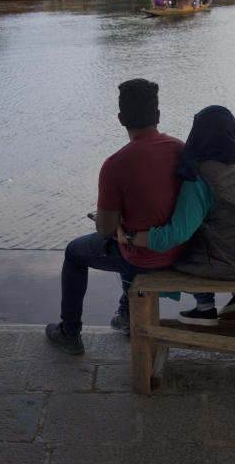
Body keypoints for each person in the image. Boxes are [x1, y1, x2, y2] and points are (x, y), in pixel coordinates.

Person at [45, 78, 186, 354]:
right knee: (127, 232)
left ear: (121, 119)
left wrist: (109, 222)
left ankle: (69, 333)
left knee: (75, 252)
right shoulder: (180, 149)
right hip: (179, 250)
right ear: (157, 115)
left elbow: (105, 228)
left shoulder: (115, 164)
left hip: (143, 257)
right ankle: (126, 313)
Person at [117, 106, 235, 325]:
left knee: (180, 246)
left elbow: (174, 236)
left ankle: (205, 308)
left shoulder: (201, 177)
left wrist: (129, 238)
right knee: (228, 219)